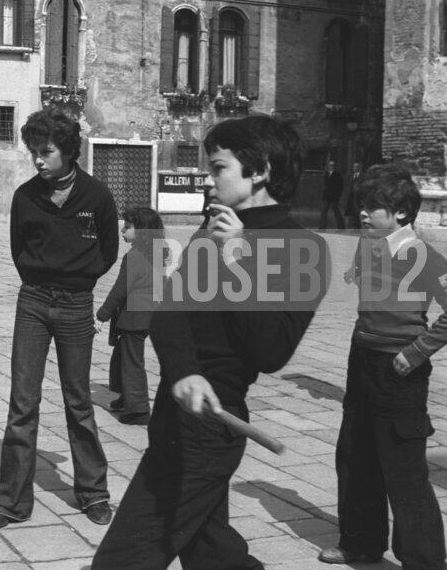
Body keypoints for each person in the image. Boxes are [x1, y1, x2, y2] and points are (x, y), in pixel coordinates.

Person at [92, 115, 329, 569]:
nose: (208, 177)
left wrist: (239, 258)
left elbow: (271, 351)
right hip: (175, 411)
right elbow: (169, 315)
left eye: (218, 167)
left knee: (123, 558)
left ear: (259, 171)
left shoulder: (301, 247)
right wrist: (184, 371)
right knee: (211, 552)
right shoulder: (213, 229)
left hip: (212, 427)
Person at [0, 107, 120, 531]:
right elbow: (18, 249)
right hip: (34, 302)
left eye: (46, 151)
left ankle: (93, 493)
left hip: (77, 304)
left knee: (79, 402)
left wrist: (77, 281)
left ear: (69, 151)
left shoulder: (97, 196)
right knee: (23, 402)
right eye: (33, 152)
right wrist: (43, 282)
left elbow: (109, 251)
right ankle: (11, 503)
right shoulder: (26, 196)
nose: (38, 160)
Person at [318, 164, 447, 568]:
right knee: (355, 455)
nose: (363, 213)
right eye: (363, 205)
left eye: (374, 207)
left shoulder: (424, 255)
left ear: (401, 214)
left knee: (404, 470)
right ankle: (360, 544)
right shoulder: (369, 244)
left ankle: (423, 561)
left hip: (400, 368)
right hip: (362, 360)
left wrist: (418, 351)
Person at [96, 207, 166, 426]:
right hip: (148, 314)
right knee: (122, 357)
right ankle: (127, 396)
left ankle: (138, 410)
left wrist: (101, 315)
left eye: (128, 226)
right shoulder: (155, 252)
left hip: (135, 316)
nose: (122, 230)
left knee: (131, 363)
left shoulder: (134, 256)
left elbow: (120, 289)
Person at [319, 159, 345, 230]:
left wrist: (338, 195)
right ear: (328, 166)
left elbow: (340, 186)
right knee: (324, 211)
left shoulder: (338, 174)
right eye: (330, 165)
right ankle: (322, 227)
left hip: (334, 196)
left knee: (336, 211)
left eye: (333, 165)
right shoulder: (326, 174)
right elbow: (323, 185)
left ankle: (341, 227)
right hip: (327, 196)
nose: (331, 166)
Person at [345, 161, 363, 230]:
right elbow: (348, 186)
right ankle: (354, 228)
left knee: (357, 213)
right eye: (354, 167)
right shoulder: (351, 176)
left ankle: (358, 228)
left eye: (357, 167)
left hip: (358, 198)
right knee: (352, 213)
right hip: (351, 198)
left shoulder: (362, 176)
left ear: (359, 168)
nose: (355, 168)